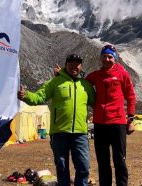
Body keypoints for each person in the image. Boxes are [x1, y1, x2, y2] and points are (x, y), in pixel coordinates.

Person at [54, 45, 136, 185]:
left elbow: (131, 96)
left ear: (115, 58)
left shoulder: (123, 74)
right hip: (100, 124)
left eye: (110, 57)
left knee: (119, 160)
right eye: (104, 56)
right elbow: (79, 80)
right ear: (100, 58)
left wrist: (131, 118)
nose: (107, 59)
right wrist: (62, 73)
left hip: (118, 123)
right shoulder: (95, 75)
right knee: (103, 161)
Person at [18, 54, 95, 186]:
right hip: (59, 132)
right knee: (62, 168)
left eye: (77, 64)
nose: (74, 66)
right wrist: (26, 96)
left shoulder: (86, 85)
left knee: (83, 167)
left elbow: (97, 103)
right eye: (70, 63)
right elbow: (40, 97)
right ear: (66, 65)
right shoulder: (55, 82)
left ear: (81, 66)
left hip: (80, 133)